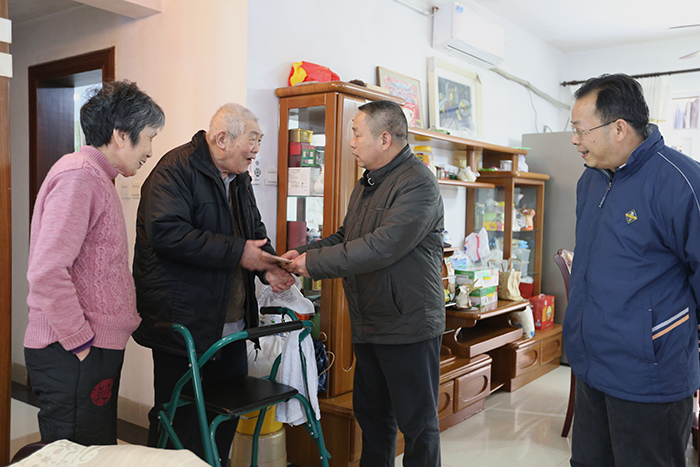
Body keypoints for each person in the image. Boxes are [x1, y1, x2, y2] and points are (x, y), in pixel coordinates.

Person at [282, 100, 445, 466]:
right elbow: (347, 238)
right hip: (369, 320)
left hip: (407, 324)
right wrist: (300, 255)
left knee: (417, 426)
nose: (351, 143)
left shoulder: (418, 183)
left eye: (357, 134)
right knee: (373, 419)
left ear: (384, 139)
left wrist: (313, 264)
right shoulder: (367, 184)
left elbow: (381, 247)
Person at [132, 103, 294, 464]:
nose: (256, 150)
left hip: (230, 321)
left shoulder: (240, 178)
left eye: (259, 141)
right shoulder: (174, 170)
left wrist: (268, 266)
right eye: (253, 140)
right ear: (222, 139)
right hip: (183, 322)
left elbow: (253, 231)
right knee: (177, 414)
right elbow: (167, 234)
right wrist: (240, 253)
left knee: (224, 413)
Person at [564, 73, 700, 467]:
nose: (574, 140)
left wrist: (669, 337)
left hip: (649, 375)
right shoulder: (590, 180)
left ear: (619, 128)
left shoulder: (681, 181)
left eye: (580, 130)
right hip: (591, 365)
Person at [24, 80, 165, 445]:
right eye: (149, 137)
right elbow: (46, 271)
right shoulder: (79, 176)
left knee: (94, 451)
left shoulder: (96, 176)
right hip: (72, 351)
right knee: (77, 455)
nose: (150, 150)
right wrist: (80, 342)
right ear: (121, 135)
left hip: (85, 349)